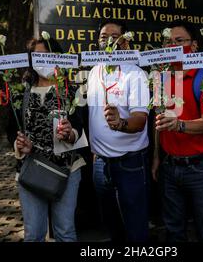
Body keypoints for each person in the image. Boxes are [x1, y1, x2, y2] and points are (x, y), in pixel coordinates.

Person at [151, 20, 203, 242]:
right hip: (169, 167)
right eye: (168, 42)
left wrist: (180, 125)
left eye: (179, 41)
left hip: (200, 168)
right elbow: (158, 121)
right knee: (173, 230)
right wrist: (156, 157)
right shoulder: (160, 77)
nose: (172, 46)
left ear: (195, 45)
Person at [14, 37, 86, 242]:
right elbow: (14, 128)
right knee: (34, 233)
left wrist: (71, 134)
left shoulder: (72, 90)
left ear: (58, 58)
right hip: (31, 169)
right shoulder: (23, 92)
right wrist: (20, 144)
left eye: (48, 55)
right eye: (38, 56)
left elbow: (81, 128)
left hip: (67, 170)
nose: (43, 61)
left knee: (64, 231)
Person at [87, 20, 151, 242]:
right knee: (111, 227)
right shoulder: (93, 72)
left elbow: (140, 121)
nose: (108, 40)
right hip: (100, 165)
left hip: (129, 163)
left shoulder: (135, 74)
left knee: (135, 228)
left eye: (115, 36)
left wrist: (120, 123)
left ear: (125, 42)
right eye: (104, 36)